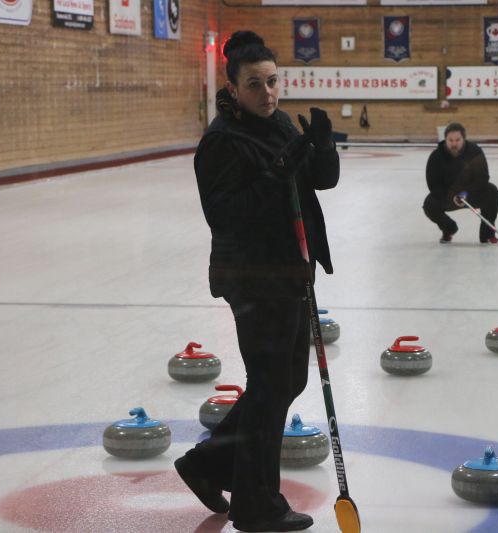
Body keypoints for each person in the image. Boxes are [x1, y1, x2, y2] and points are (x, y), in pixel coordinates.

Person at [174, 30, 339, 532]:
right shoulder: (222, 140)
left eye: (272, 82)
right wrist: (278, 171)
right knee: (269, 385)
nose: (267, 93)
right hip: (253, 278)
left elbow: (320, 181)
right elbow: (225, 216)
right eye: (254, 85)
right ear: (233, 88)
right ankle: (255, 503)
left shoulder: (280, 122)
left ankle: (206, 465)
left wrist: (322, 146)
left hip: (291, 271)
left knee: (287, 381)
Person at [422, 123, 498, 244]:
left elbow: (483, 177)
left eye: (457, 140)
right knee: (429, 204)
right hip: (448, 196)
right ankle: (449, 229)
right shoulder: (436, 156)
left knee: (492, 192)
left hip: (471, 194)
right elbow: (433, 184)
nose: (454, 143)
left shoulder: (474, 152)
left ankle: (488, 234)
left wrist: (466, 192)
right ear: (445, 139)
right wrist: (451, 196)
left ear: (464, 139)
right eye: (450, 140)